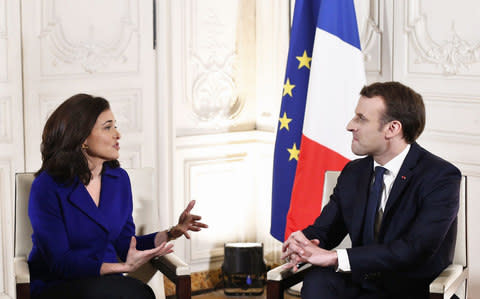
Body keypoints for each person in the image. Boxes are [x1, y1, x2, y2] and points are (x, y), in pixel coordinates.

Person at [282, 82, 461, 299]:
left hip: (409, 289)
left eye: (361, 118)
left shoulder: (440, 176)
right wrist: (303, 242)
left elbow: (414, 249)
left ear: (392, 128)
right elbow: (325, 230)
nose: (350, 125)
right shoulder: (354, 172)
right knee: (318, 280)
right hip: (361, 281)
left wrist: (335, 257)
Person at [28, 94, 208, 299]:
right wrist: (120, 267)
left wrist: (171, 233)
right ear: (82, 138)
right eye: (107, 127)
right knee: (134, 294)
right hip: (59, 285)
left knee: (136, 293)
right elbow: (60, 262)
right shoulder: (46, 186)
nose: (118, 134)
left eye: (115, 126)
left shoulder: (118, 179)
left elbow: (125, 243)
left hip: (107, 284)